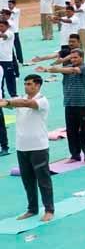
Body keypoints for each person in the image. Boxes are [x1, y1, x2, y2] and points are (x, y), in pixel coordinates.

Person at [0, 75, 53, 221]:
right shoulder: (20, 99)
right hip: (22, 147)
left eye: (29, 84)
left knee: (43, 180)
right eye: (25, 84)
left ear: (37, 86)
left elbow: (26, 103)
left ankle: (49, 209)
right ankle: (32, 209)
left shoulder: (42, 100)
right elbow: (10, 103)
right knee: (28, 181)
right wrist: (5, 102)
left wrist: (9, 101)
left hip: (38, 147)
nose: (26, 86)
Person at [36, 48, 85, 163]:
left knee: (84, 131)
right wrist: (47, 69)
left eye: (76, 57)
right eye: (71, 58)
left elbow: (73, 70)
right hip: (68, 103)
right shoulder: (67, 68)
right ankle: (75, 155)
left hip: (81, 104)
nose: (73, 59)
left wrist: (55, 69)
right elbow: (62, 70)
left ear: (82, 58)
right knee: (71, 131)